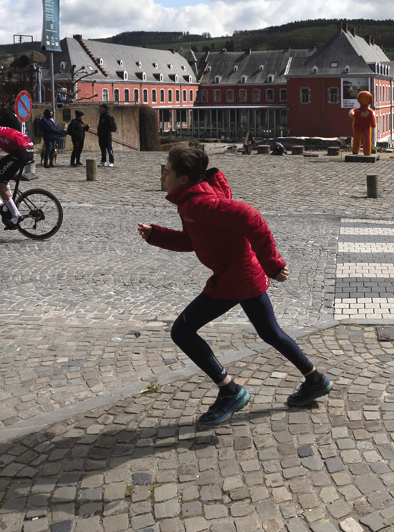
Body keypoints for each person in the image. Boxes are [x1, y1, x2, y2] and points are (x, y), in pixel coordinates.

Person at [137, 147, 333, 426]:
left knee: (182, 330)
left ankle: (230, 391)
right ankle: (315, 379)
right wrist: (156, 235)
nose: (162, 177)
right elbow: (192, 242)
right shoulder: (191, 201)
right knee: (271, 333)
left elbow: (250, 217)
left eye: (166, 172)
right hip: (245, 275)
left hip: (234, 279)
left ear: (183, 177)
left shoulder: (198, 204)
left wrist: (273, 263)